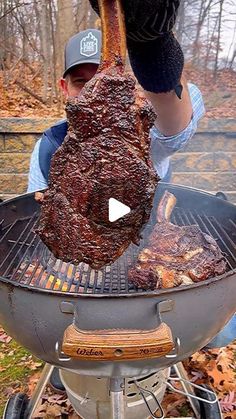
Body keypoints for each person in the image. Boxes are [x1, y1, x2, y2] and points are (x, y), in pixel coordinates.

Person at [27, 1, 234, 387]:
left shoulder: (143, 130)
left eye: (100, 80)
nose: (92, 90)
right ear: (64, 88)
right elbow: (43, 213)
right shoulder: (50, 145)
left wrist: (153, 50)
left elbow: (176, 125)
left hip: (146, 245)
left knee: (223, 329)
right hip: (82, 276)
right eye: (80, 81)